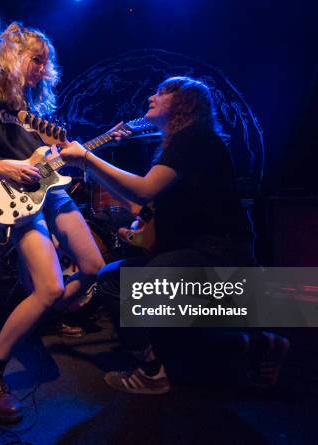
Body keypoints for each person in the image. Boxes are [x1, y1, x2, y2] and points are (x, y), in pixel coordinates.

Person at [60, 76, 290, 394]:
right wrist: (92, 168)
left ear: (184, 103)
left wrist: (86, 157)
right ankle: (263, 345)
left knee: (115, 282)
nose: (152, 96)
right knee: (174, 333)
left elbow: (142, 191)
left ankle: (149, 374)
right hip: (214, 252)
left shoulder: (192, 138)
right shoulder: (189, 142)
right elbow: (142, 204)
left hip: (213, 255)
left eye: (162, 92)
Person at [0, 22, 106, 424]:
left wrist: (70, 154)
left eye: (46, 62)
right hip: (18, 199)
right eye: (36, 60)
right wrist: (7, 168)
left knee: (93, 266)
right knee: (52, 286)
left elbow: (51, 158)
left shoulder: (38, 110)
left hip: (51, 191)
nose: (43, 68)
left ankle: (40, 305)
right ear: (14, 58)